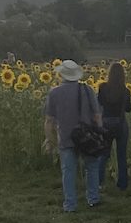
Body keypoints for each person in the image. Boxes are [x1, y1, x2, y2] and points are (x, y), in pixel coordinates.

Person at [43, 60, 103, 213]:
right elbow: (96, 115)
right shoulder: (87, 89)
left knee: (68, 171)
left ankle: (70, 205)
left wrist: (49, 140)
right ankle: (93, 199)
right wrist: (100, 134)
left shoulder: (54, 93)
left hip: (66, 136)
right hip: (87, 137)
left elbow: (49, 120)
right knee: (92, 167)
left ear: (62, 74)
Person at [97, 61, 131, 192]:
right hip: (121, 124)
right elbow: (129, 109)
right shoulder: (125, 90)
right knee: (121, 156)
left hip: (105, 123)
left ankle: (99, 182)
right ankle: (122, 185)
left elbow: (98, 103)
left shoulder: (102, 87)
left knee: (103, 155)